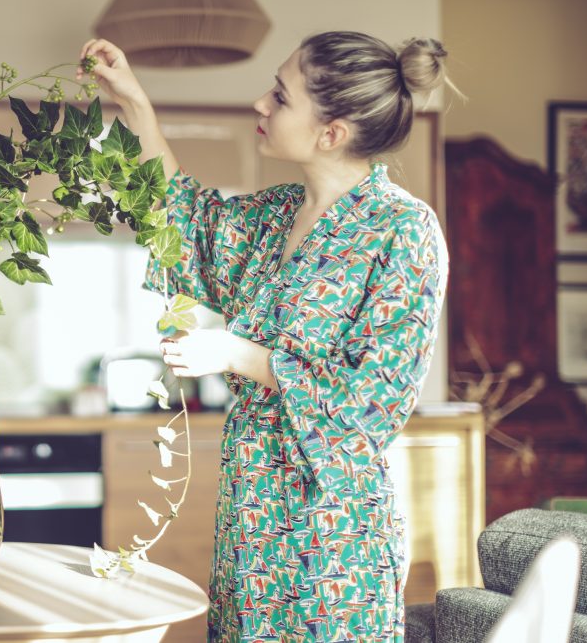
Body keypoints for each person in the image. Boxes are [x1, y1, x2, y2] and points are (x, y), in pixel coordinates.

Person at [79, 32, 455, 641]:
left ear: (329, 132)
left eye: (280, 96)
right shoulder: (274, 214)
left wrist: (235, 353)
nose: (259, 104)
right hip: (248, 517)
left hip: (332, 535)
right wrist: (134, 104)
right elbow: (186, 219)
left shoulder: (404, 232)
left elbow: (370, 406)